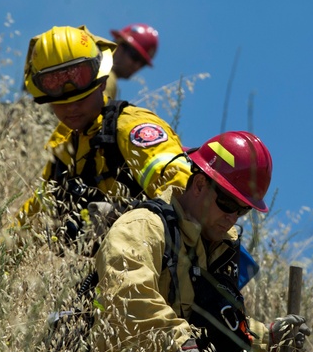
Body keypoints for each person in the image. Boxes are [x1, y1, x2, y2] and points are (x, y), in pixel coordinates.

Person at [84, 131, 310, 352]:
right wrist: (182, 344)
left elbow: (212, 324)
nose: (232, 217)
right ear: (201, 184)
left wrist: (269, 337)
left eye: (242, 210)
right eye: (227, 203)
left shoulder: (212, 249)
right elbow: (129, 296)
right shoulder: (143, 227)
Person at [16, 25, 190, 245]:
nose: (71, 108)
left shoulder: (129, 126)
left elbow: (181, 189)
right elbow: (39, 208)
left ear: (102, 83)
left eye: (81, 98)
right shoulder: (64, 144)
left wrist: (125, 217)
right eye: (61, 102)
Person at [104, 23, 159, 102]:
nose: (137, 66)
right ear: (119, 46)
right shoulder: (106, 78)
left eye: (142, 64)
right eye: (135, 57)